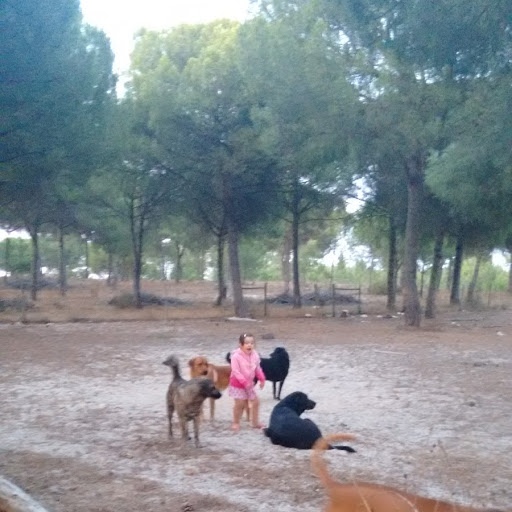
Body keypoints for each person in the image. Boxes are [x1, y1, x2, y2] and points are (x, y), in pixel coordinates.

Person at [228, 332, 266, 431]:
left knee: (256, 402)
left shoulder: (255, 355)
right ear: (240, 345)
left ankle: (255, 422)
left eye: (252, 343)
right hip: (237, 384)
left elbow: (257, 368)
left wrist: (262, 378)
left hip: (249, 384)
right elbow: (236, 371)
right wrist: (244, 382)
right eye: (247, 343)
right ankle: (236, 422)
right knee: (240, 404)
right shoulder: (236, 356)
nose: (250, 345)